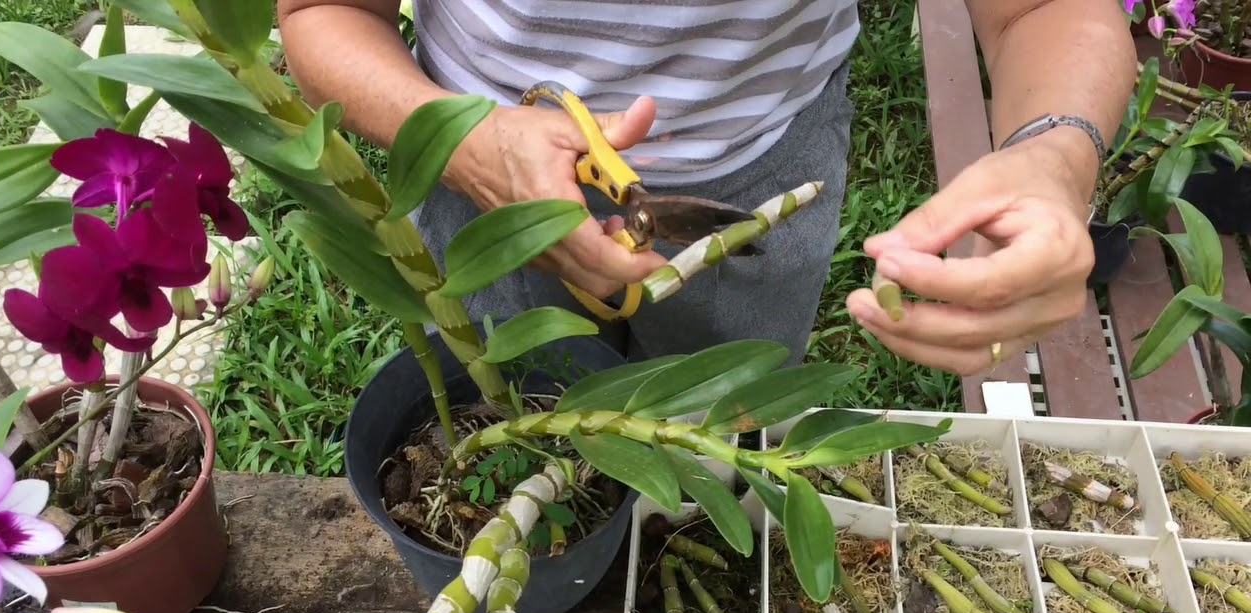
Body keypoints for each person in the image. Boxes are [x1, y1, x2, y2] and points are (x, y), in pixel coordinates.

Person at [275, 0, 1137, 377]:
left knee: (718, 429)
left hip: (762, 162)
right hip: (476, 170)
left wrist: (1051, 158)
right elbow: (324, 13)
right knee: (501, 411)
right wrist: (462, 142)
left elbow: (1041, 9)